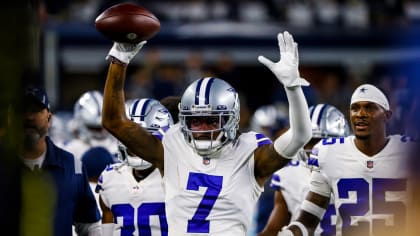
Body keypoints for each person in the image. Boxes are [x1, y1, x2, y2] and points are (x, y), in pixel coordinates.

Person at [102, 31, 312, 235]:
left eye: (211, 120)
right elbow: (114, 122)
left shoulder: (251, 153)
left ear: (231, 120)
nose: (202, 129)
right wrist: (119, 60)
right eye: (195, 121)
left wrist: (292, 87)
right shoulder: (171, 146)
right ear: (184, 121)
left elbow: (300, 136)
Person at [279, 84, 414, 236]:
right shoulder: (327, 153)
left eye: (369, 108)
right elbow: (308, 220)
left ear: (387, 115)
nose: (361, 114)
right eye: (355, 108)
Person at [258, 104, 350, 236]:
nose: (314, 149)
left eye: (321, 141)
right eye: (309, 141)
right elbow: (273, 230)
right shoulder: (289, 175)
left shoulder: (359, 169)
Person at [21, 85, 101, 236]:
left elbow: (89, 226)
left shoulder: (72, 165)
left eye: (36, 110)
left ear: (49, 118)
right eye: (22, 110)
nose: (29, 117)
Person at [98, 98, 173, 236]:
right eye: (131, 138)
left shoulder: (176, 177)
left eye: (145, 138)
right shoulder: (110, 177)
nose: (138, 145)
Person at [62, 90, 119, 160]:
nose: (101, 133)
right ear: (80, 124)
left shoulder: (118, 148)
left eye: (105, 127)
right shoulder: (70, 150)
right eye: (95, 128)